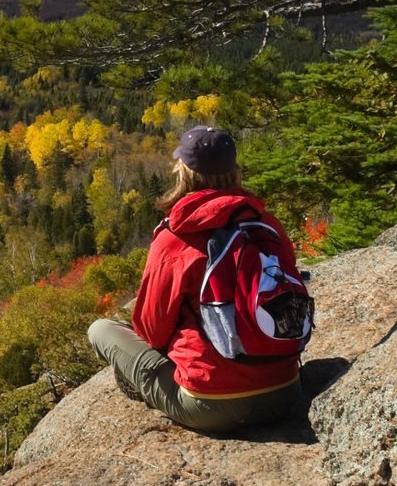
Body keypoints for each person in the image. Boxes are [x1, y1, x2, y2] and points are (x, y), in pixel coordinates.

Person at [86, 125, 305, 431]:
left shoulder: (176, 235)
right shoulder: (265, 223)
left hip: (211, 406)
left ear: (185, 172)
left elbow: (151, 331)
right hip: (287, 390)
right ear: (234, 168)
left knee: (100, 329)